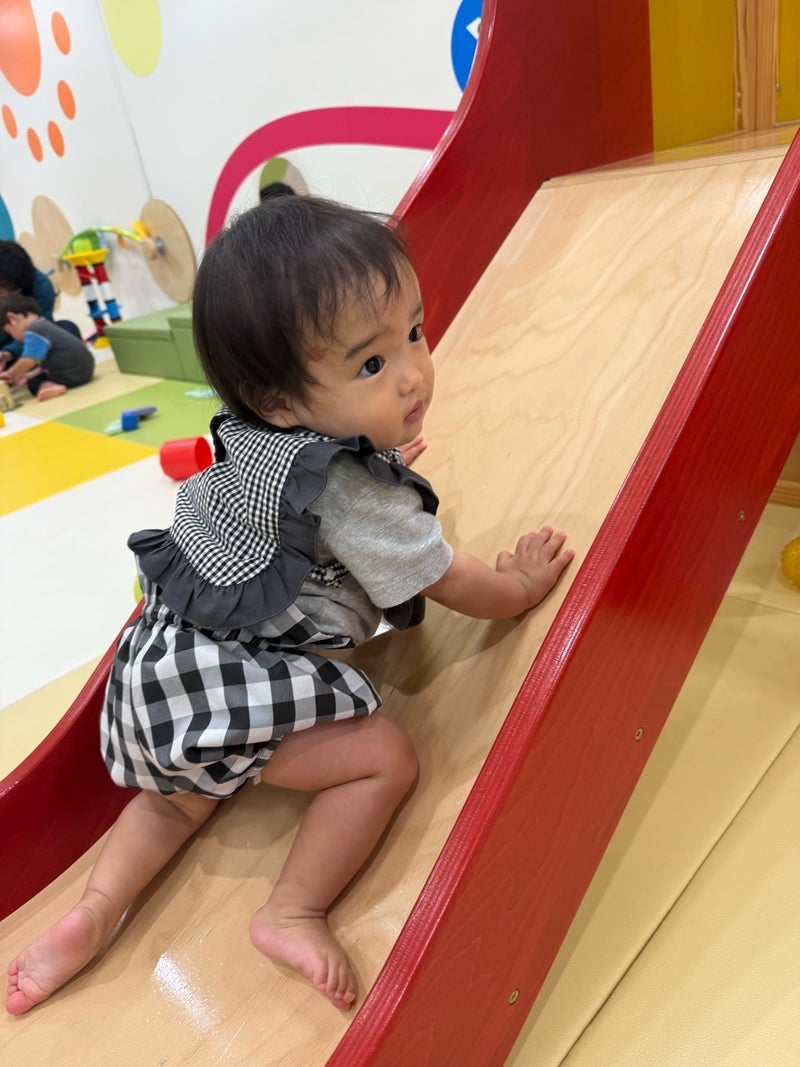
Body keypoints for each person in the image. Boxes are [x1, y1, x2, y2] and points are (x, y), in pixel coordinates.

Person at [6, 196, 573, 1016]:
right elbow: (441, 575)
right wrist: (518, 586)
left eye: (415, 332)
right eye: (370, 365)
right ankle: (292, 910)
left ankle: (96, 909)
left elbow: (311, 489)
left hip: (158, 678)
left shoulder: (255, 435)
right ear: (276, 398)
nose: (413, 372)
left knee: (175, 800)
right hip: (240, 683)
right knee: (387, 758)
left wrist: (372, 448)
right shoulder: (351, 491)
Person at [0, 241, 80, 368]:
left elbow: (41, 331)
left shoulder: (41, 287)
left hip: (27, 347)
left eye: (1, 291)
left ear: (18, 288)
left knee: (67, 329)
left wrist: (8, 353)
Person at [0, 293, 94, 401]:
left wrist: (11, 374)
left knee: (34, 383)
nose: (14, 338)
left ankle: (48, 387)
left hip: (71, 375)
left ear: (12, 318)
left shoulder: (34, 331)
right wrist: (28, 375)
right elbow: (44, 364)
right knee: (33, 376)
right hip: (84, 371)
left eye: (9, 332)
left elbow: (29, 360)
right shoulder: (43, 324)